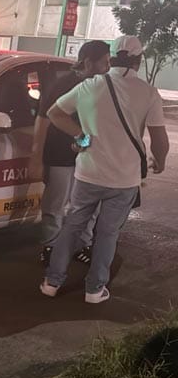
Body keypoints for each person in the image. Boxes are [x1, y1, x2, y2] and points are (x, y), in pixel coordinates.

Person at [41, 35, 169, 304]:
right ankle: (94, 290)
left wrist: (81, 137)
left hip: (88, 173)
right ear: (138, 60)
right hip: (124, 179)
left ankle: (52, 283)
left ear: (111, 58)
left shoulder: (90, 86)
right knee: (107, 234)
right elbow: (159, 140)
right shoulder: (148, 93)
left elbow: (54, 113)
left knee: (72, 226)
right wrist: (160, 160)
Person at [32, 40, 111, 267]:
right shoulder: (63, 84)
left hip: (88, 156)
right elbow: (44, 119)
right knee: (55, 205)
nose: (108, 67)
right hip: (60, 156)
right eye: (104, 62)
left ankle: (82, 245)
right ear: (88, 62)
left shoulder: (101, 86)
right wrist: (36, 156)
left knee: (88, 205)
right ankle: (50, 246)